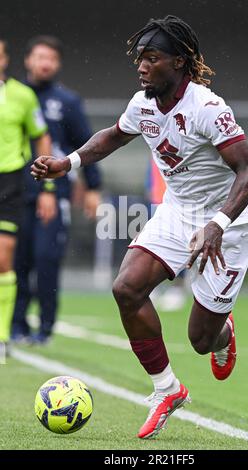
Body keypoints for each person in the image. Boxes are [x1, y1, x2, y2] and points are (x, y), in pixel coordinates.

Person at [31, 16, 248, 439]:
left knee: (200, 339)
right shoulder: (142, 104)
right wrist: (68, 163)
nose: (141, 66)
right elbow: (113, 136)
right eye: (139, 57)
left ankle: (223, 333)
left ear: (178, 63)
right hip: (178, 212)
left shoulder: (209, 108)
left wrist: (217, 223)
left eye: (151, 58)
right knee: (127, 287)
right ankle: (167, 390)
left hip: (230, 222)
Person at [11, 36, 102, 344]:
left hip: (54, 193)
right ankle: (16, 325)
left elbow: (87, 144)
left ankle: (45, 329)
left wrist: (93, 186)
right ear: (27, 60)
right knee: (16, 261)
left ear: (58, 64)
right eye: (39, 57)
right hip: (14, 192)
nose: (45, 63)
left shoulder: (67, 102)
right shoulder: (12, 97)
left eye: (51, 58)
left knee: (46, 258)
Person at [0, 39, 51, 352]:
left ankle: (2, 334)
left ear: (5, 58)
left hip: (9, 184)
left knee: (4, 260)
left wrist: (46, 186)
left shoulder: (23, 95)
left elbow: (41, 137)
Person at [145, 157, 187, 311]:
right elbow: (151, 174)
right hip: (157, 202)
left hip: (179, 204)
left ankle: (178, 289)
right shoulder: (156, 143)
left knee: (182, 246)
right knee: (154, 247)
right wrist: (149, 187)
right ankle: (154, 287)